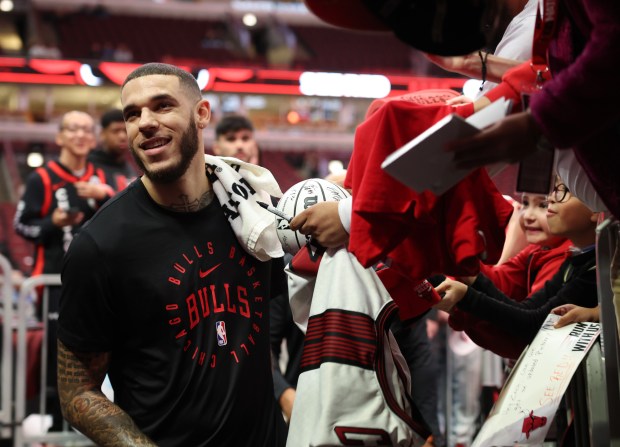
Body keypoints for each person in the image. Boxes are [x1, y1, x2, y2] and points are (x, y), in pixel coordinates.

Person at [56, 63, 287, 446]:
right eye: (132, 114)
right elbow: (77, 391)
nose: (144, 122)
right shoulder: (100, 245)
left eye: (162, 106)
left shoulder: (253, 215)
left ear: (201, 114)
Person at [13, 110, 109, 431]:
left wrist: (106, 196)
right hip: (54, 283)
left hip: (98, 283)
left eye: (86, 130)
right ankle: (57, 423)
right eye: (73, 129)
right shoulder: (42, 178)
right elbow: (21, 225)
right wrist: (51, 224)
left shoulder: (101, 177)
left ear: (93, 138)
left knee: (100, 351)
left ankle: (94, 420)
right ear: (60, 137)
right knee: (61, 353)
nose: (80, 136)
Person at [434, 179, 599, 344]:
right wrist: (473, 280)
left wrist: (467, 296)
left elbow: (533, 324)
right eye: (525, 203)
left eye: (566, 190)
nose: (551, 198)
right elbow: (526, 309)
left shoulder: (593, 269)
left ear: (598, 208)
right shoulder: (570, 257)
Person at [88, 108, 136, 192]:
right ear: (102, 134)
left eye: (125, 130)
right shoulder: (89, 165)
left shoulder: (130, 166)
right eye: (115, 131)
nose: (122, 136)